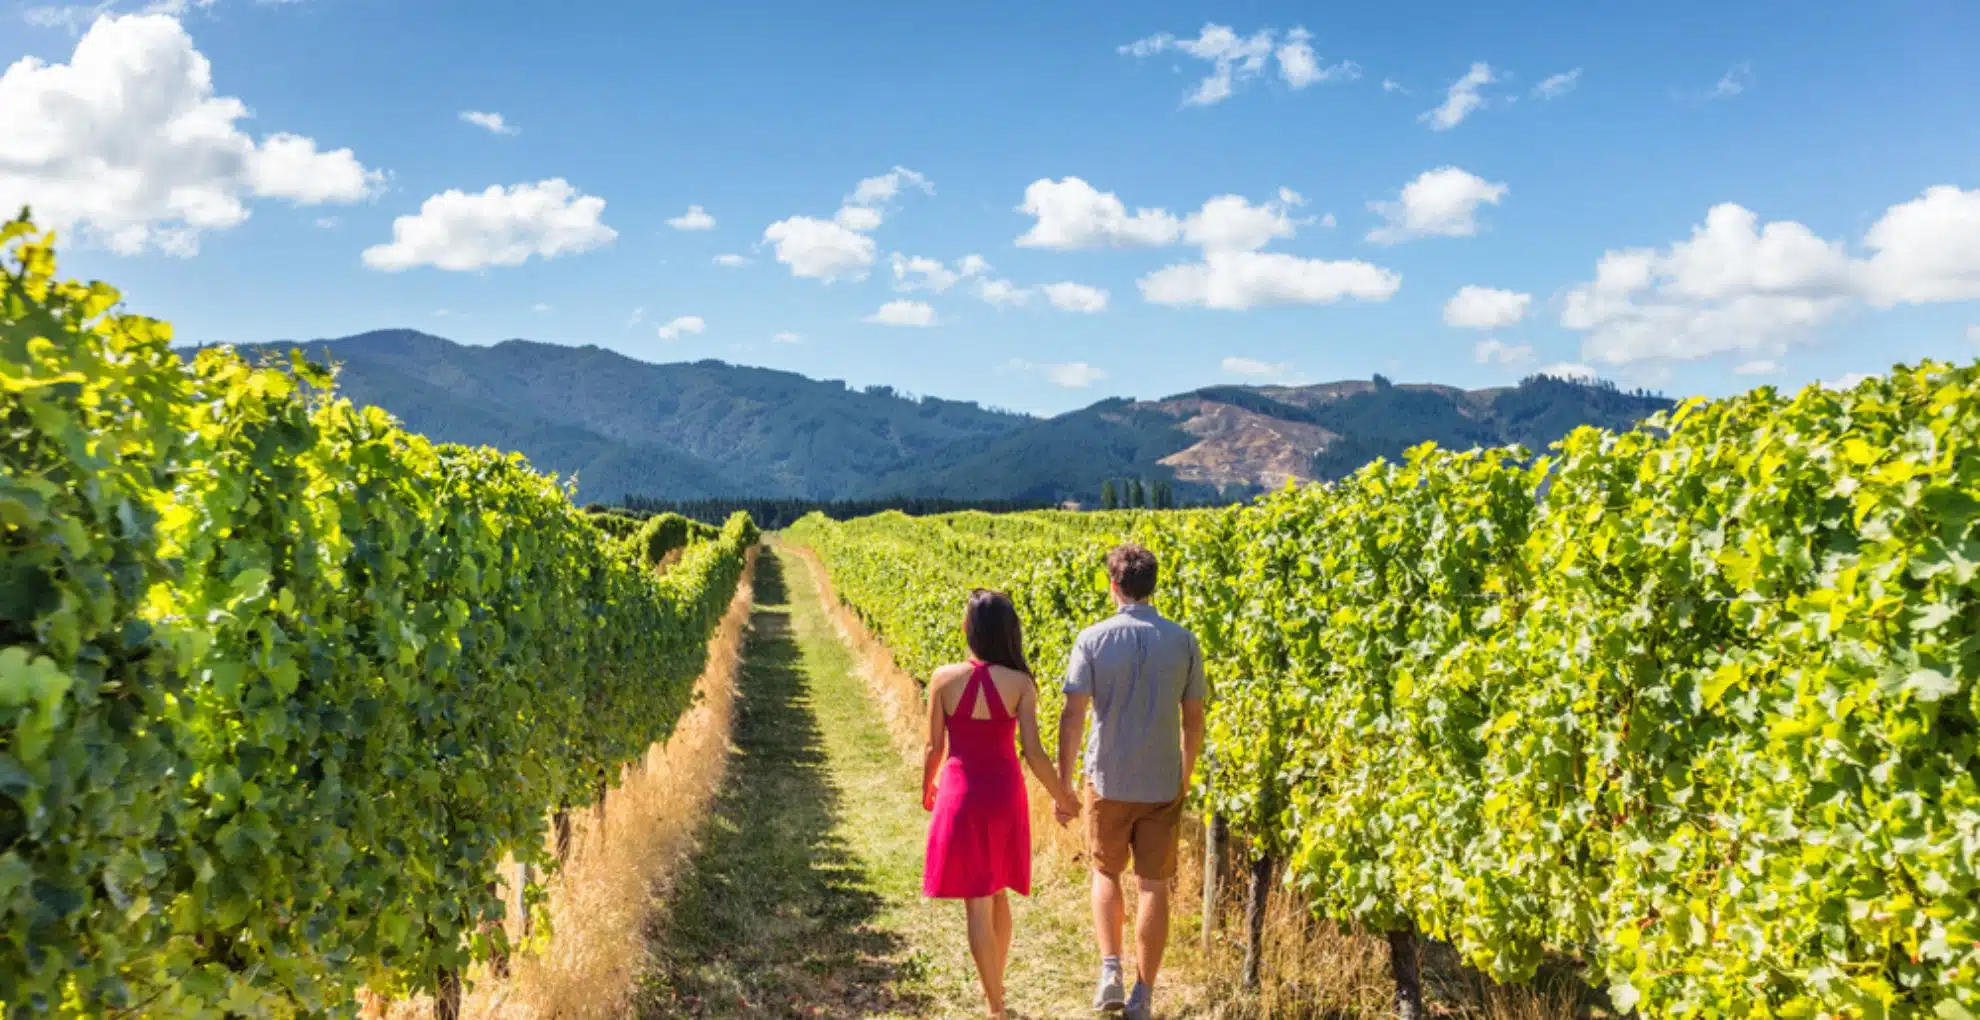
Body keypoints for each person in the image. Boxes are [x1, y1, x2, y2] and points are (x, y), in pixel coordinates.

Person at [1056, 544, 1207, 1020]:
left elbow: (1073, 715)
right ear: (1153, 585)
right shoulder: (1184, 641)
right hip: (1162, 781)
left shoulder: (1093, 639)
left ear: (1113, 585)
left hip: (1108, 778)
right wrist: (1183, 774)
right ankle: (1143, 995)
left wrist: (1064, 784)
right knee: (1153, 886)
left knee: (1105, 872)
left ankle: (1109, 971)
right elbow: (1194, 721)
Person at [924, 588, 1082, 1019]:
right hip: (1004, 796)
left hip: (960, 793)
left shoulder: (943, 679)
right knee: (998, 894)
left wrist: (926, 787)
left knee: (976, 900)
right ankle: (997, 991)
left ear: (969, 629)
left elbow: (932, 747)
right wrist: (1063, 796)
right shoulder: (1020, 684)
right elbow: (1034, 753)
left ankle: (995, 1002)